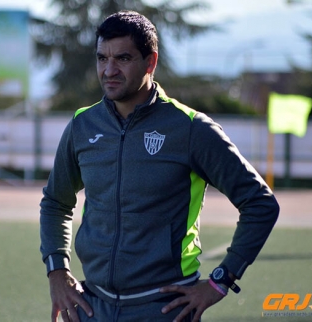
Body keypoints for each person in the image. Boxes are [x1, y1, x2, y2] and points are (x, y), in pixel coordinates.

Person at [40, 10, 279, 322]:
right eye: (102, 58)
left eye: (122, 59)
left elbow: (259, 203)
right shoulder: (82, 125)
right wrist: (57, 270)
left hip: (164, 309)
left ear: (150, 62)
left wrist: (221, 280)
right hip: (91, 306)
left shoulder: (191, 128)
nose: (109, 70)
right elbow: (56, 202)